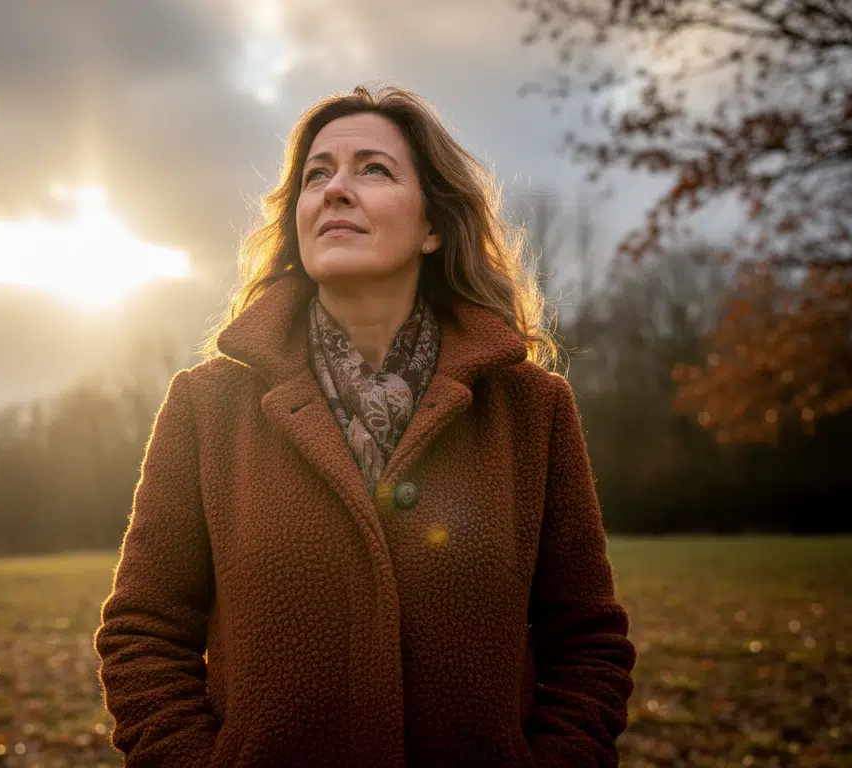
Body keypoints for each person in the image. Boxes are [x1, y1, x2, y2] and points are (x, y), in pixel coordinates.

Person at [94, 84, 636, 767]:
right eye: (317, 175)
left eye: (373, 169)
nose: (335, 190)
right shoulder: (207, 408)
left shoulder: (532, 409)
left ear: (434, 226)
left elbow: (588, 644)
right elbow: (144, 633)